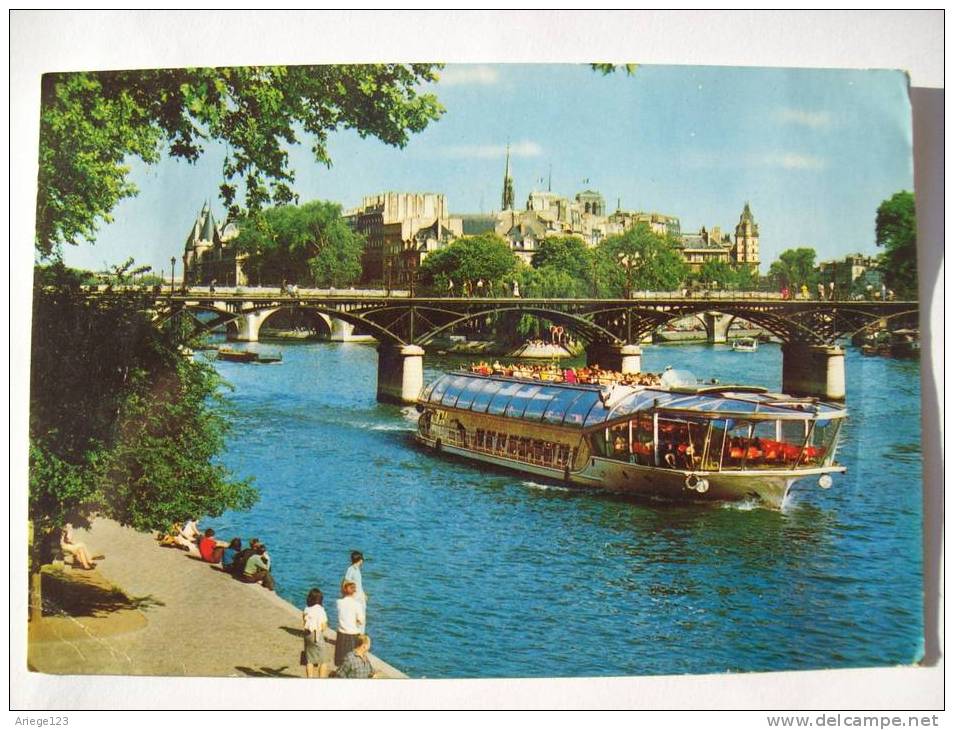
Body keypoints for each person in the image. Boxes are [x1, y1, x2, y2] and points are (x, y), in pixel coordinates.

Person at [334, 581, 365, 667]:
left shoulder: (338, 602)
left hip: (341, 634)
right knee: (353, 660)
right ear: (354, 592)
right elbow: (361, 620)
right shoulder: (357, 605)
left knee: (340, 661)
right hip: (353, 634)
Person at [302, 588, 330, 678]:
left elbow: (304, 620)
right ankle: (320, 680)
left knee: (309, 660)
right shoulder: (321, 610)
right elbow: (324, 626)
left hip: (307, 634)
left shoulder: (307, 609)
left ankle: (310, 678)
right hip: (316, 635)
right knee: (323, 660)